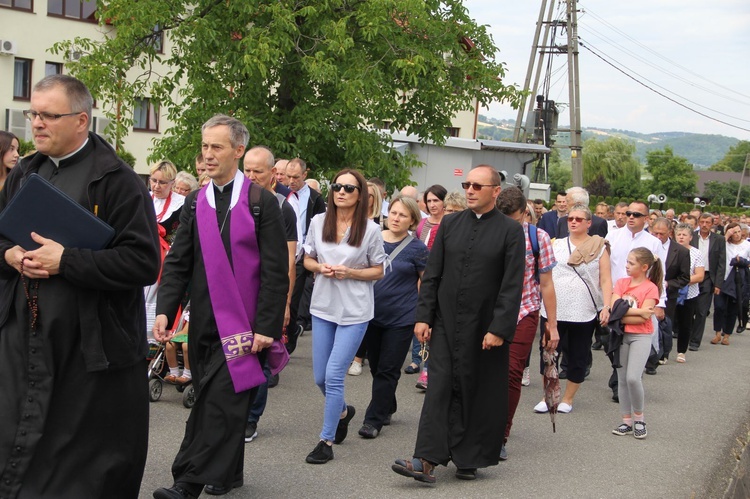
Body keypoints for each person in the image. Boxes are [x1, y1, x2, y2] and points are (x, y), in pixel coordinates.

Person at [0, 74, 160, 498]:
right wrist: (10, 255)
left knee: (75, 469)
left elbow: (144, 262)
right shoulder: (25, 173)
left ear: (82, 121)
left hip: (87, 352)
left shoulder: (117, 181)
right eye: (33, 114)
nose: (36, 124)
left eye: (49, 115)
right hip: (26, 339)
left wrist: (66, 261)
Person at [152, 115, 289, 498]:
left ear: (238, 150)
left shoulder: (262, 203)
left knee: (220, 405)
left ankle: (187, 483)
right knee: (217, 400)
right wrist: (167, 308)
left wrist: (267, 326)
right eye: (204, 147)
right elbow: (180, 261)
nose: (207, 155)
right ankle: (227, 474)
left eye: (216, 147)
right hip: (203, 323)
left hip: (244, 328)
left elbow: (277, 273)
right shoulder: (197, 201)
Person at [391, 165, 525, 484]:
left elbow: (512, 284)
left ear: (495, 191)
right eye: (467, 184)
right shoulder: (450, 223)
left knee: (478, 389)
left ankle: (469, 458)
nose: (470, 190)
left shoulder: (510, 230)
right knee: (439, 387)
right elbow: (433, 274)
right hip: (447, 322)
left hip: (485, 326)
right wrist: (424, 317)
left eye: (478, 186)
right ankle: (425, 459)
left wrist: (499, 328)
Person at [303, 169, 386, 464]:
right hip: (324, 306)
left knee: (335, 374)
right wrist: (318, 268)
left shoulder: (371, 230)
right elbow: (307, 257)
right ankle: (342, 411)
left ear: (360, 194)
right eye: (337, 186)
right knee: (320, 377)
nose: (341, 192)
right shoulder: (318, 221)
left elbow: (379, 269)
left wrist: (351, 272)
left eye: (348, 188)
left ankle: (325, 440)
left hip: (355, 310)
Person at [358, 196, 429, 439]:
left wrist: (424, 316)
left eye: (403, 215)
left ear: (412, 220)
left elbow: (426, 282)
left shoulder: (417, 248)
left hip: (402, 317)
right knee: (377, 367)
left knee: (388, 369)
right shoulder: (373, 238)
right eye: (394, 213)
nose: (396, 218)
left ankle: (373, 420)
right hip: (371, 313)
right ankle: (388, 403)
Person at [496, 187, 558, 460]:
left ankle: (500, 435)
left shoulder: (538, 237)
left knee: (511, 373)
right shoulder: (489, 230)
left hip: (524, 310)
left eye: (514, 217)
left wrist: (552, 325)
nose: (509, 222)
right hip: (488, 313)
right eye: (504, 217)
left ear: (525, 213)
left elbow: (546, 284)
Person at [242, 145, 298, 442]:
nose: (251, 176)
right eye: (247, 170)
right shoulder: (234, 200)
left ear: (272, 174)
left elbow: (288, 260)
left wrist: (285, 303)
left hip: (267, 296)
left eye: (258, 172)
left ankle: (251, 418)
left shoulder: (281, 208)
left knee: (259, 360)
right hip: (237, 294)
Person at [533, 204, 612, 414]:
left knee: (578, 355)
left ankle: (568, 398)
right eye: (570, 219)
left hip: (583, 310)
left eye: (578, 219)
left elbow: (605, 279)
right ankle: (548, 396)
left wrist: (607, 305)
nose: (574, 222)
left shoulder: (600, 247)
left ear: (589, 223)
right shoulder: (555, 244)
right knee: (549, 353)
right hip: (553, 309)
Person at [610, 248, 662, 440]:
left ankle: (639, 419)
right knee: (622, 378)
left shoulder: (651, 287)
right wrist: (637, 312)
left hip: (641, 336)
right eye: (627, 261)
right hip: (621, 335)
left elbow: (644, 317)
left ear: (644, 267)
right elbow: (615, 308)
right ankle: (626, 421)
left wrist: (623, 314)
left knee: (633, 377)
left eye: (631, 263)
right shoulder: (622, 282)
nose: (626, 266)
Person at [286, 158, 326, 354]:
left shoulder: (314, 198)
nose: (291, 180)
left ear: (304, 175)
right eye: (288, 176)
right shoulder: (282, 195)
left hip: (302, 253)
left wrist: (313, 254)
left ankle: (289, 338)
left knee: (292, 298)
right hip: (284, 249)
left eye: (295, 177)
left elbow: (320, 227)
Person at [348, 181, 384, 377]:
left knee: (367, 319)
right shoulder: (348, 219)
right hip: (350, 280)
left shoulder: (382, 222)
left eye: (370, 195)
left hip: (375, 276)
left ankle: (359, 359)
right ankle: (354, 356)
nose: (364, 198)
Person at [710, 223, 750, 346]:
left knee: (732, 309)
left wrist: (742, 261)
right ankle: (717, 333)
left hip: (737, 281)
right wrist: (726, 236)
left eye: (738, 232)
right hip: (722, 279)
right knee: (719, 307)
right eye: (734, 232)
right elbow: (714, 251)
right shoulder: (724, 243)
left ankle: (727, 335)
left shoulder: (747, 245)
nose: (737, 235)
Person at [673, 223, 705, 363]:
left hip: (689, 294)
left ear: (690, 237)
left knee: (685, 324)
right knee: (667, 323)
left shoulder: (696, 253)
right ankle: (663, 353)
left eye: (684, 235)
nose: (681, 237)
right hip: (671, 291)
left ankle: (681, 351)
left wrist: (682, 281)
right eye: (679, 234)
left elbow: (699, 276)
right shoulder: (670, 250)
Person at [149, 160, 186, 243]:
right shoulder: (143, 199)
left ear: (172, 183)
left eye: (162, 182)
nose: (157, 186)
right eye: (154, 180)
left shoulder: (181, 204)